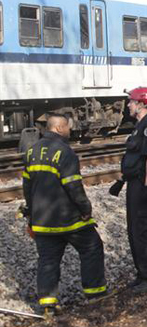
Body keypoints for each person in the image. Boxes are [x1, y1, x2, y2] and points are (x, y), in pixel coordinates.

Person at [22, 114, 107, 316]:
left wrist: (31, 213)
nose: (70, 131)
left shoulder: (31, 151)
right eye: (68, 128)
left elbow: (27, 186)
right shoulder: (65, 152)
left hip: (42, 220)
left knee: (48, 260)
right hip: (69, 219)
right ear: (59, 128)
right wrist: (86, 209)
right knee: (92, 248)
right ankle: (95, 295)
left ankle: (48, 305)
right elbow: (73, 186)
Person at [114, 87, 147, 293]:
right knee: (133, 230)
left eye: (131, 101)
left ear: (142, 104)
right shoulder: (140, 126)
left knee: (141, 231)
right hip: (134, 184)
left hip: (143, 185)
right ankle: (142, 273)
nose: (128, 105)